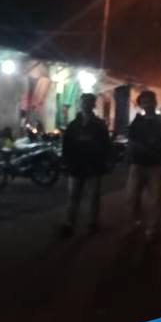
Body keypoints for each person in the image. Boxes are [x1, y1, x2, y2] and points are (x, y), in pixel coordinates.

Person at [126, 90, 161, 238]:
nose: (147, 104)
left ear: (155, 103)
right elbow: (131, 141)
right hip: (137, 164)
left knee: (155, 198)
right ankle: (135, 222)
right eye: (144, 102)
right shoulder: (137, 121)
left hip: (156, 165)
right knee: (132, 196)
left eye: (149, 101)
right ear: (140, 104)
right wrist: (128, 158)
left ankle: (152, 227)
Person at [60, 93, 110, 236]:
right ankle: (69, 224)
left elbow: (106, 145)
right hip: (76, 165)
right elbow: (67, 145)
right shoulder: (73, 125)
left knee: (93, 196)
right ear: (80, 104)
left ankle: (92, 223)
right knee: (73, 196)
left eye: (89, 102)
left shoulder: (99, 125)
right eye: (84, 102)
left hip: (93, 165)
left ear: (93, 104)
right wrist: (66, 162)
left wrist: (103, 161)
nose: (86, 104)